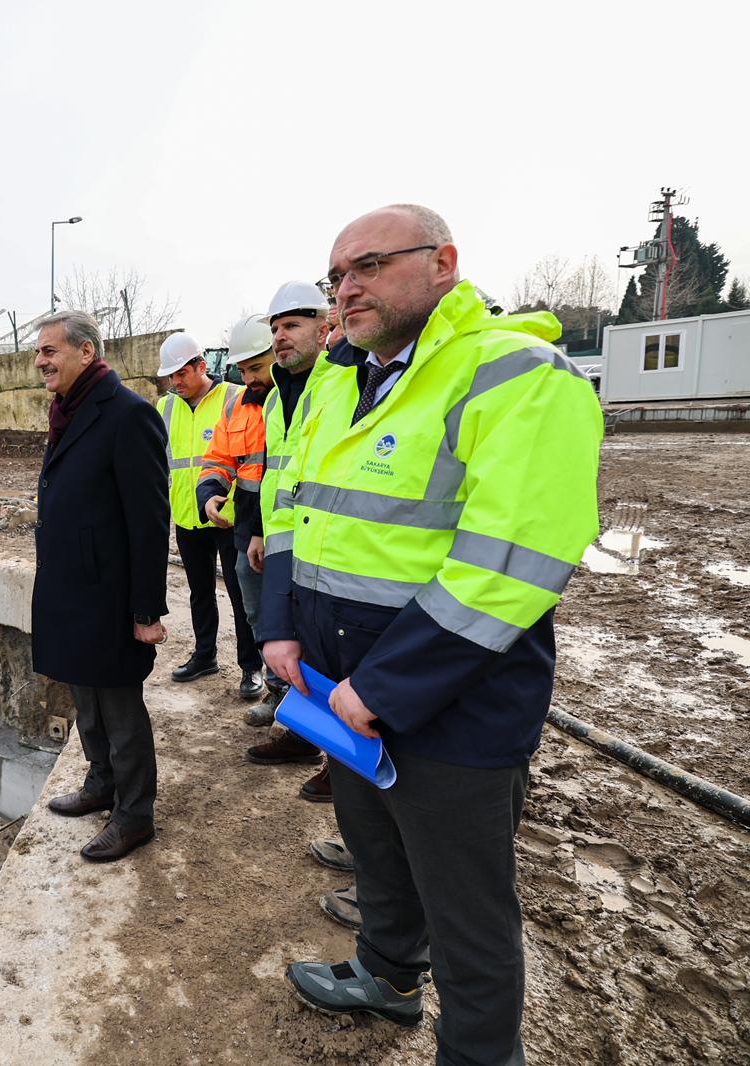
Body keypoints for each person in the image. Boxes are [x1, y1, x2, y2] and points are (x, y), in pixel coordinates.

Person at [260, 205, 602, 1065]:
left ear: (443, 262)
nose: (347, 288)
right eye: (338, 273)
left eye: (369, 265)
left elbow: (514, 564)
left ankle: (481, 1053)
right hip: (336, 685)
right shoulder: (342, 379)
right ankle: (387, 977)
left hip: (454, 706)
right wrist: (279, 627)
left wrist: (383, 690)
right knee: (377, 857)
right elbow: (297, 508)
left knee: (469, 911)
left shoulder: (516, 374)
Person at [31, 309, 170, 863]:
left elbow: (149, 520)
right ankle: (100, 783)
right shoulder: (67, 409)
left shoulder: (127, 414)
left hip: (110, 594)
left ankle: (135, 815)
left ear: (86, 352)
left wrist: (145, 609)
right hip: (71, 588)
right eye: (38, 352)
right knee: (83, 691)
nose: (41, 361)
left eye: (50, 350)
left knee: (119, 706)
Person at [241, 282, 341, 803]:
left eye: (293, 326)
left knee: (333, 654)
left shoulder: (343, 380)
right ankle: (308, 737)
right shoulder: (279, 395)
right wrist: (262, 532)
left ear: (325, 327)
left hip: (330, 544)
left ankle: (339, 758)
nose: (281, 338)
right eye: (275, 329)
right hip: (287, 541)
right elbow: (280, 475)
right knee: (299, 646)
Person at [154, 333, 265, 696]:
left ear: (202, 366)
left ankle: (251, 667)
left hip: (229, 516)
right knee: (200, 591)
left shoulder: (234, 398)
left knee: (239, 593)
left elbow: (249, 457)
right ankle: (205, 656)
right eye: (170, 377)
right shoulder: (164, 408)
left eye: (181, 373)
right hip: (187, 515)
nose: (176, 382)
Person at [192, 316, 275, 711]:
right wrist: (210, 493)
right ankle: (278, 693)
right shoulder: (238, 406)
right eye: (243, 370)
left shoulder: (302, 400)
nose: (249, 378)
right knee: (260, 614)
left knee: (302, 623)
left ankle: (307, 711)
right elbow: (220, 459)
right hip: (249, 533)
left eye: (256, 367)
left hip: (292, 532)